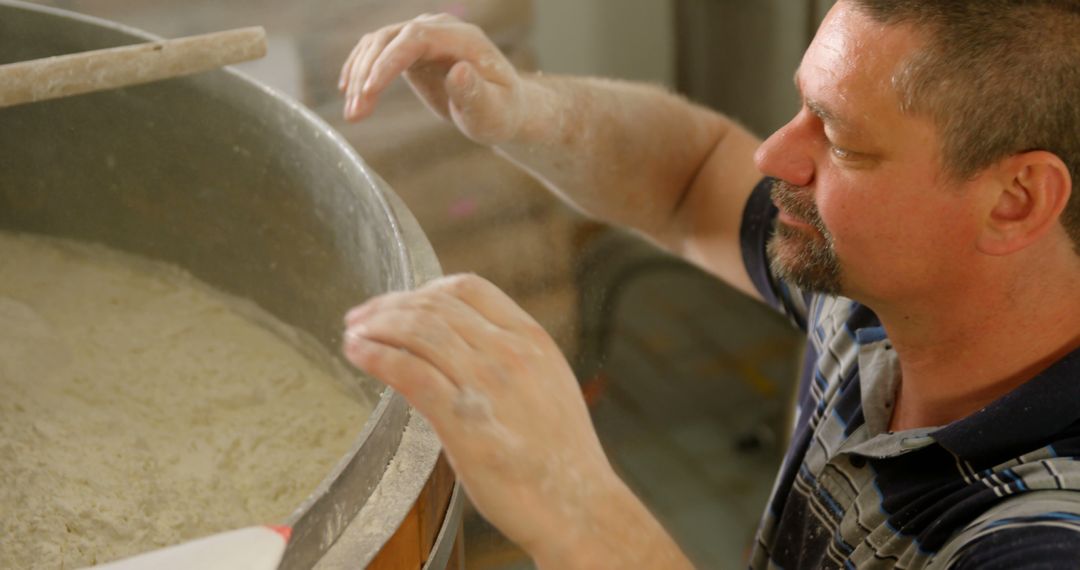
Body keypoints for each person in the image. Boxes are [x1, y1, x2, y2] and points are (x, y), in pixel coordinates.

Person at [337, 0, 1080, 567]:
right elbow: (691, 179)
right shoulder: (881, 292)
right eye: (803, 108)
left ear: (1015, 199)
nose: (774, 154)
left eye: (842, 140)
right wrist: (519, 109)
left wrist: (575, 503)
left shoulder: (1040, 537)